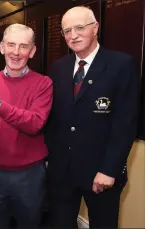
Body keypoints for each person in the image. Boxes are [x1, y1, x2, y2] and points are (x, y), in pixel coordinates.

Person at [45, 6, 138, 228]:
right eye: (67, 30)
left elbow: (125, 123)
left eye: (79, 28)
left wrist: (109, 170)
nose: (73, 35)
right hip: (62, 174)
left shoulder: (121, 65)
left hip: (101, 174)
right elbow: (54, 118)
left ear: (95, 28)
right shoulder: (58, 67)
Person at [0, 23, 53, 228]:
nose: (16, 53)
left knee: (30, 224)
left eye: (23, 46)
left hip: (29, 175)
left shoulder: (43, 84)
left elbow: (34, 123)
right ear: (1, 48)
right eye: (11, 45)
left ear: (32, 51)